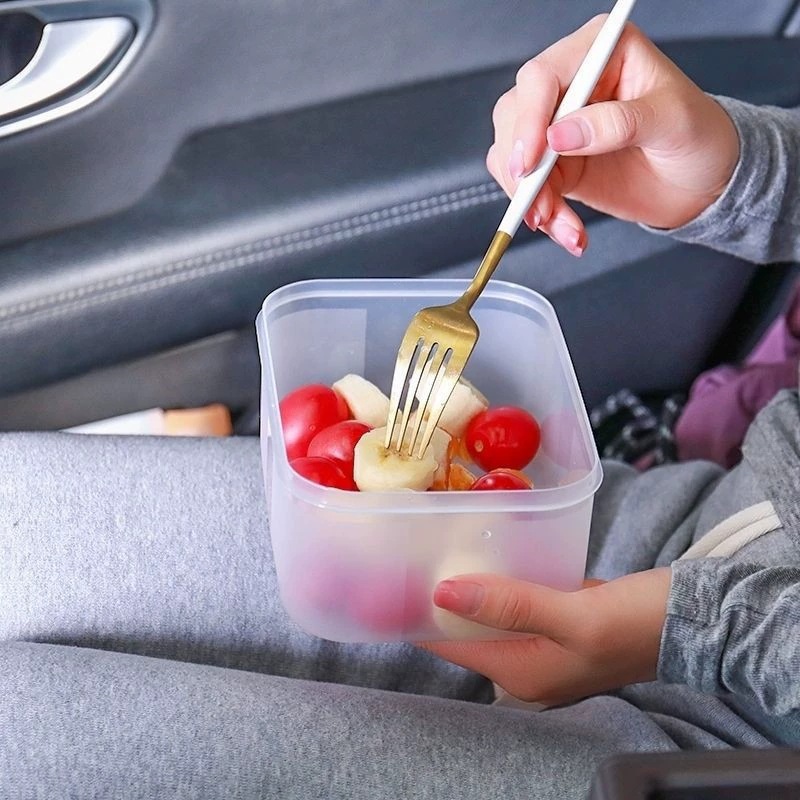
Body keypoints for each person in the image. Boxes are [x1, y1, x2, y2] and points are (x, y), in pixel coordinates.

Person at [1, 16, 798, 800]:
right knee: (18, 527)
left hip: (732, 749)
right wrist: (748, 174)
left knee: (20, 735)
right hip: (678, 525)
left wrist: (696, 628)